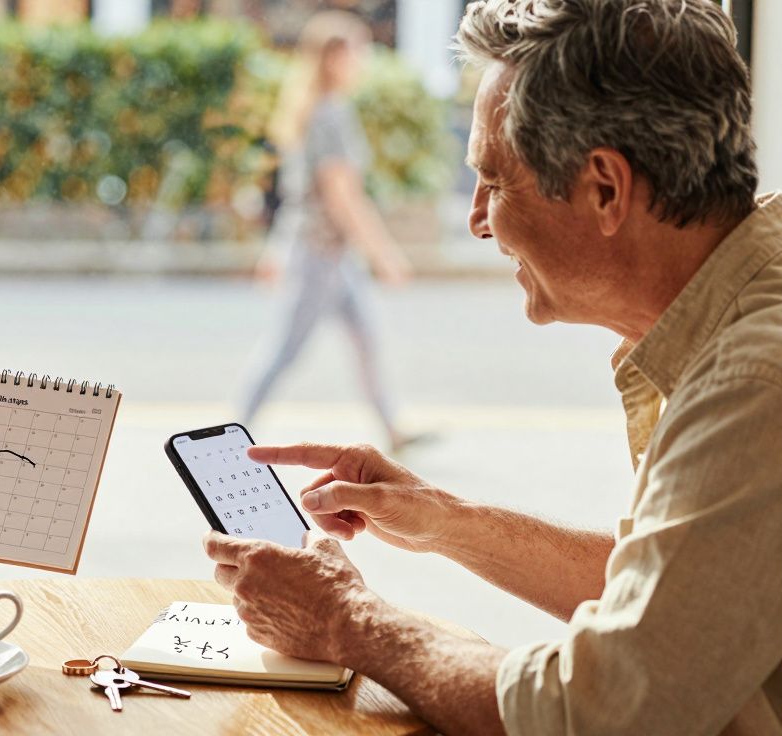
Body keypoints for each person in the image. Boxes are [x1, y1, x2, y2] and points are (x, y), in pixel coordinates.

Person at [205, 1, 782, 733]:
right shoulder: (747, 304)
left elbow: (596, 712)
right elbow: (680, 593)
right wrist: (443, 520)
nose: (478, 218)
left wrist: (345, 620)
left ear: (605, 188)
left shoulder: (754, 380)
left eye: (495, 180)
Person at [238, 11, 419, 453]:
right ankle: (233, 430)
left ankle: (393, 428)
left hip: (328, 254)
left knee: (366, 339)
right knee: (284, 350)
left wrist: (277, 249)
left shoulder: (316, 108)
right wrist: (384, 253)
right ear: (335, 57)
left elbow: (299, 194)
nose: (364, 59)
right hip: (319, 255)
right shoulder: (329, 115)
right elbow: (341, 196)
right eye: (358, 50)